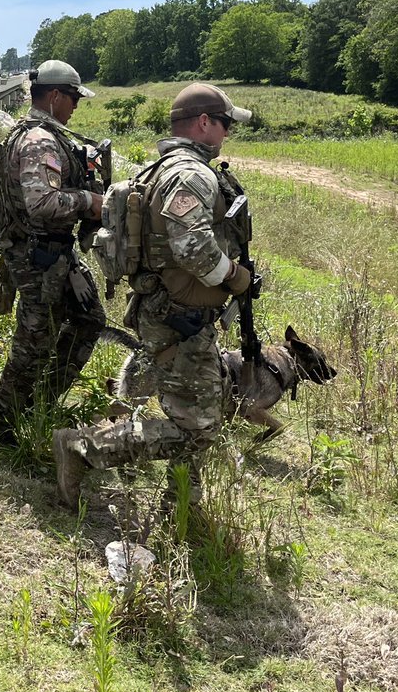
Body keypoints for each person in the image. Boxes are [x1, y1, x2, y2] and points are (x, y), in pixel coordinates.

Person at [53, 83, 255, 507]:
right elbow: (193, 248)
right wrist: (236, 277)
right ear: (204, 122)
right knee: (197, 429)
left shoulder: (158, 169)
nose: (227, 133)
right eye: (225, 124)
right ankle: (83, 448)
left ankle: (181, 506)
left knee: (197, 411)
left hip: (171, 309)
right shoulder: (189, 174)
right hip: (178, 316)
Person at [0, 59, 106, 446]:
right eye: (73, 97)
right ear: (54, 96)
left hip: (54, 254)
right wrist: (89, 200)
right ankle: (3, 427)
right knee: (33, 343)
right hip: (38, 257)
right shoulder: (39, 141)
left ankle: (40, 404)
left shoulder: (43, 135)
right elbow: (41, 203)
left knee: (89, 320)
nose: (76, 105)